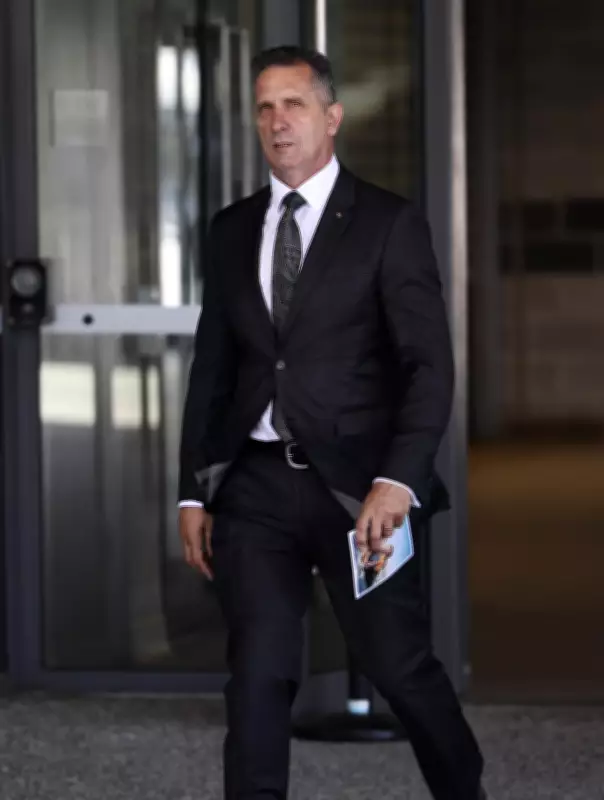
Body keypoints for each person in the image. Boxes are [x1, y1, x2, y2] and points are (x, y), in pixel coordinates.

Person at [178, 45, 487, 800]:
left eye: (295, 104)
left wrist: (398, 481)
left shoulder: (387, 223)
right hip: (254, 490)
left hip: (358, 492)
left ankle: (465, 792)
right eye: (264, 108)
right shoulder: (231, 229)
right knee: (258, 670)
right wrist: (193, 490)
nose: (278, 122)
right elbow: (213, 367)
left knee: (398, 666)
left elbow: (428, 367)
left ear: (333, 116)